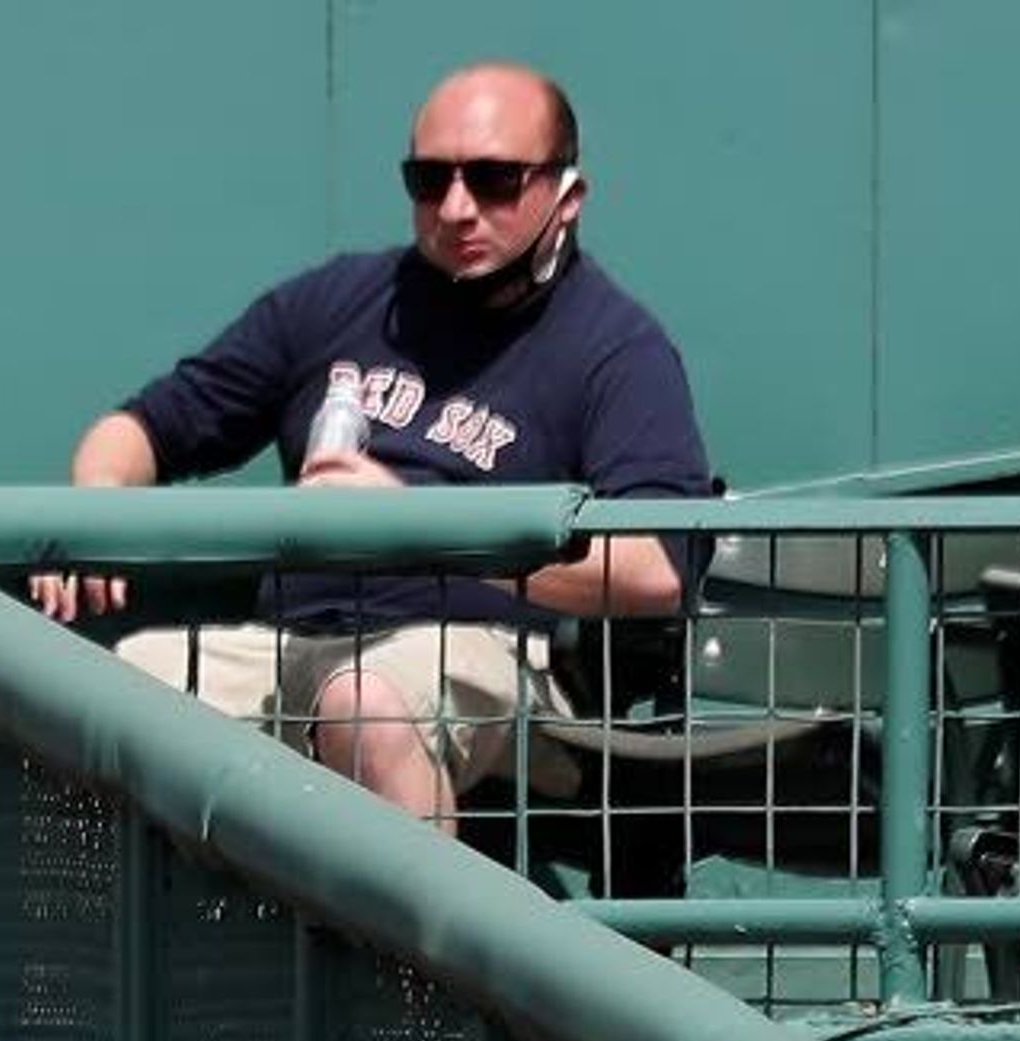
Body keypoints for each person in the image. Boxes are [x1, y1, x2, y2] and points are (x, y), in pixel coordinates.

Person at [35, 61, 712, 831]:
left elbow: (657, 569)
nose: (457, 208)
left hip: (474, 651)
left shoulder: (613, 345)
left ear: (567, 196)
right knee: (99, 697)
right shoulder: (339, 302)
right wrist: (94, 512)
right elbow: (142, 429)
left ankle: (421, 957)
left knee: (368, 707)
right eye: (430, 179)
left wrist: (419, 527)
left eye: (494, 180)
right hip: (288, 643)